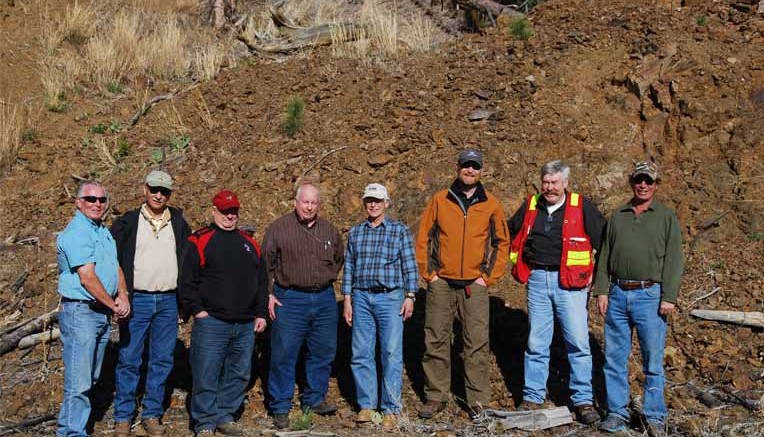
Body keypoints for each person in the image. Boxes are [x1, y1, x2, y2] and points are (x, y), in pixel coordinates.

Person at [507, 160, 606, 424]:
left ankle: (583, 400)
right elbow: (508, 232)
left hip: (571, 285)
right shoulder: (531, 205)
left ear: (565, 183)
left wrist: (597, 276)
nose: (550, 188)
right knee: (536, 343)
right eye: (546, 182)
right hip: (538, 279)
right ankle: (532, 396)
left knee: (578, 343)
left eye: (555, 182)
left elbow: (604, 242)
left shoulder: (581, 206)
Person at [415, 149, 510, 419]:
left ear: (481, 171)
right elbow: (423, 237)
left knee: (476, 342)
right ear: (457, 167)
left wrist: (487, 277)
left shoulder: (491, 204)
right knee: (436, 338)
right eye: (466, 166)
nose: (470, 171)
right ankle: (435, 396)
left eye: (475, 167)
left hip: (474, 284)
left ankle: (478, 400)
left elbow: (502, 243)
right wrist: (429, 274)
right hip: (442, 282)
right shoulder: (440, 200)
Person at [594, 161, 683, 437]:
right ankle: (617, 413)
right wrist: (602, 290)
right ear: (631, 182)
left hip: (650, 296)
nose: (643, 185)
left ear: (656, 184)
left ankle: (655, 415)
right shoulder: (618, 215)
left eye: (648, 180)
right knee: (614, 358)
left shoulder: (666, 217)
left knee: (653, 360)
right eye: (638, 180)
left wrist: (668, 296)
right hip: (618, 295)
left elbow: (674, 261)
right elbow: (605, 256)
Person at [180, 190, 268, 436]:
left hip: (245, 323)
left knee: (239, 373)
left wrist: (260, 313)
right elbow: (187, 281)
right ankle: (204, 422)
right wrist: (197, 311)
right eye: (225, 211)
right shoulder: (200, 240)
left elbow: (262, 282)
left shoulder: (250, 243)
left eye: (234, 211)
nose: (230, 216)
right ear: (214, 211)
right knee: (206, 372)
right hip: (212, 322)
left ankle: (224, 415)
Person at [110, 171, 191, 437]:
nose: (159, 195)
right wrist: (119, 295)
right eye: (154, 189)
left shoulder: (178, 223)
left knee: (162, 360)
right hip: (138, 299)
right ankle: (123, 416)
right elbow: (113, 261)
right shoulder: (128, 223)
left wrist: (183, 301)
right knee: (129, 358)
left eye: (164, 191)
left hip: (168, 300)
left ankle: (152, 413)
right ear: (144, 189)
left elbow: (187, 263)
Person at [263, 182, 344, 430]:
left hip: (323, 298)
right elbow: (265, 263)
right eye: (305, 202)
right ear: (296, 202)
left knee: (322, 351)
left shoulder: (329, 230)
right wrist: (268, 293)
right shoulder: (278, 229)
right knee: (284, 353)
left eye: (313, 203)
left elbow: (339, 258)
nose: (309, 207)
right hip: (290, 297)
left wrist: (325, 276)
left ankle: (314, 398)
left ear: (319, 205)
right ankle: (280, 406)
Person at [342, 183, 419, 431]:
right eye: (368, 200)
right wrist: (347, 299)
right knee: (361, 353)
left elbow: (410, 266)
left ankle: (390, 409)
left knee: (391, 354)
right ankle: (367, 406)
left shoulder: (399, 231)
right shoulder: (355, 233)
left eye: (377, 200)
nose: (372, 204)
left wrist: (410, 295)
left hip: (390, 297)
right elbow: (350, 268)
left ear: (386, 202)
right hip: (362, 297)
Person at [56, 181, 130, 437]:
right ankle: (72, 432)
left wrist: (123, 294)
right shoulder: (77, 232)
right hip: (81, 313)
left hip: (99, 313)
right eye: (90, 199)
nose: (97, 204)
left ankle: (75, 428)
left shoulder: (101, 231)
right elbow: (87, 277)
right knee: (79, 383)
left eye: (101, 199)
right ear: (78, 202)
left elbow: (115, 266)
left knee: (91, 377)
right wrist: (114, 306)